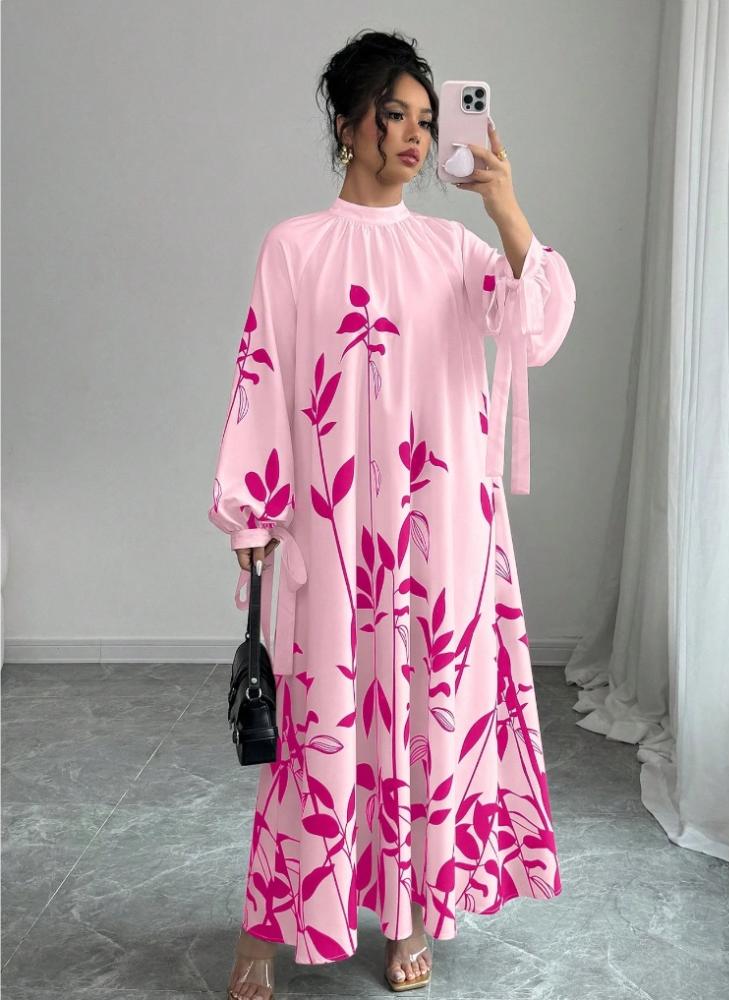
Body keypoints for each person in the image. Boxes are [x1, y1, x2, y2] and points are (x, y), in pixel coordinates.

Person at [209, 28, 576, 1000]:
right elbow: (261, 373)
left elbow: (536, 327)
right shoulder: (293, 247)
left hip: (442, 528)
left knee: (423, 715)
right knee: (322, 722)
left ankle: (409, 912)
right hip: (330, 534)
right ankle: (268, 924)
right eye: (393, 116)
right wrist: (251, 511)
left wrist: (503, 206)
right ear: (346, 123)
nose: (414, 136)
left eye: (425, 119)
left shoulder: (454, 250)